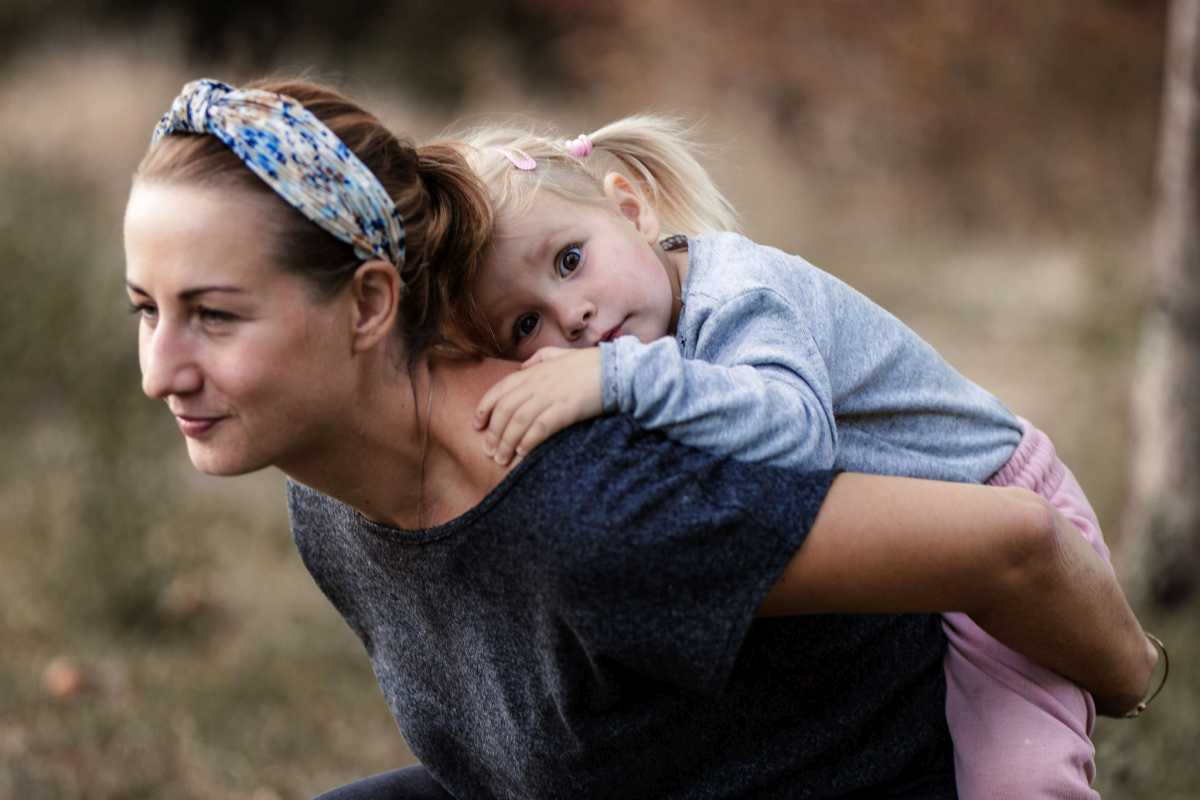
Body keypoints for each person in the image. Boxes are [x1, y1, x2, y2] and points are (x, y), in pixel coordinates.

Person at [125, 79, 1156, 799]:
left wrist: (1131, 675)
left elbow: (1012, 539)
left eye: (213, 315)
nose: (158, 369)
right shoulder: (328, 490)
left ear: (368, 304)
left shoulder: (589, 497)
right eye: (144, 309)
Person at [450, 115, 1133, 798]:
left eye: (570, 261)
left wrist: (619, 378)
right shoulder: (657, 320)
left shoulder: (739, 296)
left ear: (631, 211)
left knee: (1020, 778)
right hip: (921, 549)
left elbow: (798, 433)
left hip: (1003, 512)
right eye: (525, 325)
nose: (570, 317)